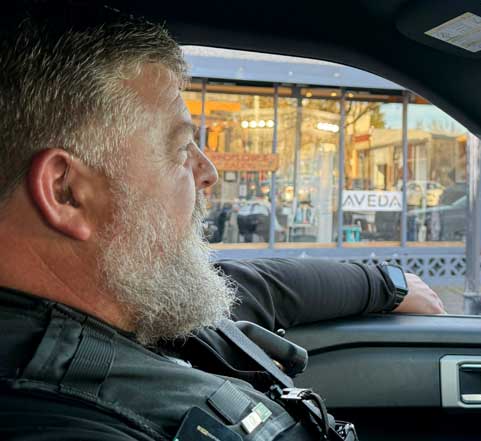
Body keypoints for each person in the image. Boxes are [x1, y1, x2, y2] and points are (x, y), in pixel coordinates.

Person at [0, 9, 444, 440]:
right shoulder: (59, 420)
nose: (207, 170)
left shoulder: (121, 297)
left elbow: (255, 285)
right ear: (67, 192)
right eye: (179, 148)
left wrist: (386, 283)